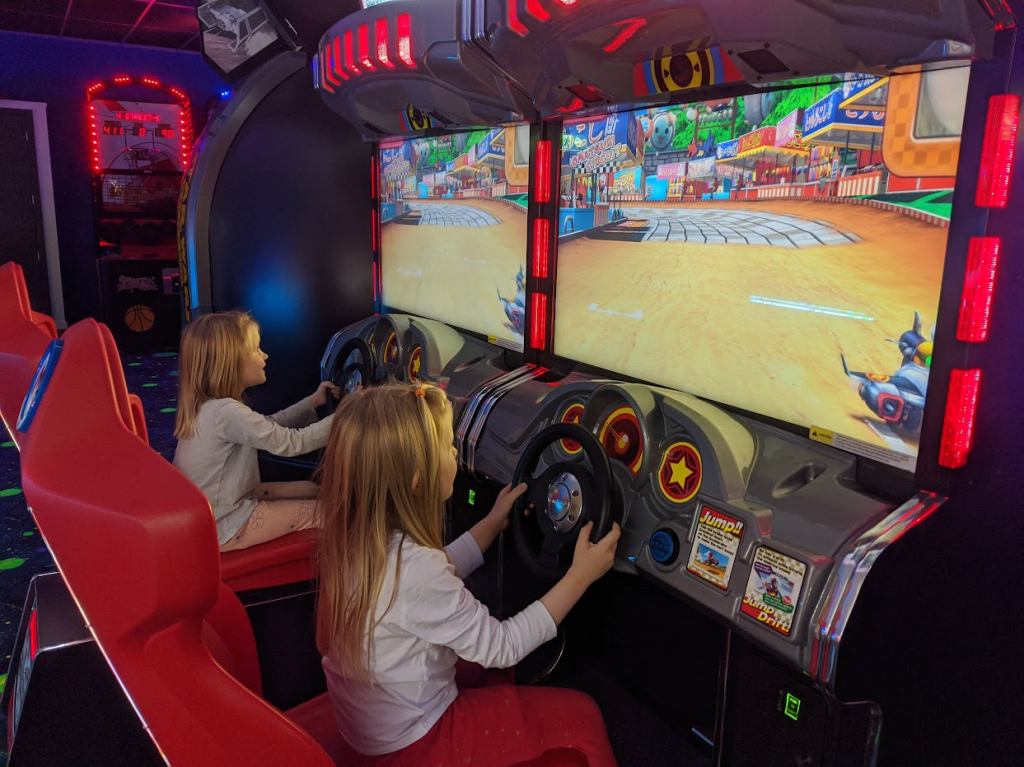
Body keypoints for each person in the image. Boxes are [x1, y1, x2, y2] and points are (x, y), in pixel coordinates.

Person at [317, 382, 620, 766]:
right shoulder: (415, 569)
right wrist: (581, 576)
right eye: (446, 446)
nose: (455, 454)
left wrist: (492, 523)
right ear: (416, 478)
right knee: (584, 715)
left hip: (377, 729)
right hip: (417, 744)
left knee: (494, 674)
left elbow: (434, 574)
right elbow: (502, 645)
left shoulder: (355, 541)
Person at [173, 311, 339, 551]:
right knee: (329, 512)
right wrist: (345, 417)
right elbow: (292, 443)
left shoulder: (211, 408)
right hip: (223, 525)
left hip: (216, 511)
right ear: (231, 360)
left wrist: (312, 402)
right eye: (256, 349)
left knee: (313, 489)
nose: (265, 355)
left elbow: (267, 426)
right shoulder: (226, 411)